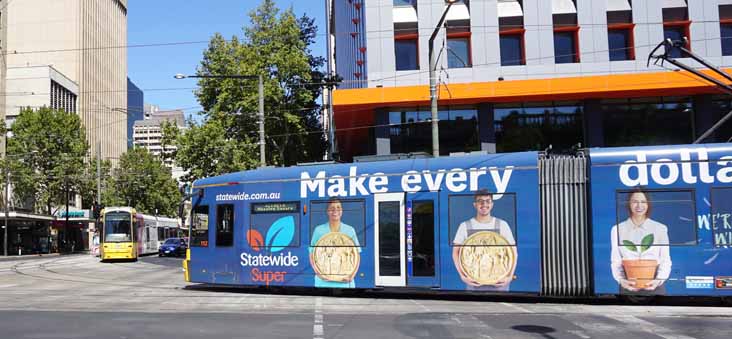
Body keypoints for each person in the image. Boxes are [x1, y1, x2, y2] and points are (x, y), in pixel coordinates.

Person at [452, 189, 517, 291]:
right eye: (480, 201)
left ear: (492, 204)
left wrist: (509, 276)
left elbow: (514, 253)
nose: (484, 204)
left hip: (500, 283)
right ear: (475, 204)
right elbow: (456, 253)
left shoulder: (502, 225)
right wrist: (462, 276)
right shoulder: (464, 226)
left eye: (487, 201)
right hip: (473, 283)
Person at [610, 189, 672, 293]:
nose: (639, 206)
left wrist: (658, 280)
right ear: (629, 204)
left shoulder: (660, 228)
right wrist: (621, 280)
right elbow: (616, 260)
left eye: (643, 202)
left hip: (655, 286)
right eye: (635, 201)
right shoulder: (617, 229)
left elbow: (665, 259)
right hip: (628, 286)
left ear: (648, 204)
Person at [309, 198, 361, 288]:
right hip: (323, 282)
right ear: (327, 211)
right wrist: (319, 274)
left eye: (338, 208)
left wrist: (352, 275)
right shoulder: (319, 230)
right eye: (332, 208)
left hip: (345, 282)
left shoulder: (350, 230)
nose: (335, 211)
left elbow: (356, 254)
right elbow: (312, 254)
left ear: (342, 211)